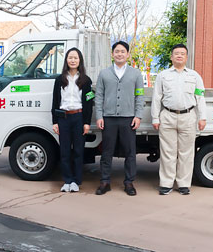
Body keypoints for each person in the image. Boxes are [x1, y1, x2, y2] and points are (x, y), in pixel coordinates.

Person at [151, 44, 207, 195]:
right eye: (176, 53)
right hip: (167, 116)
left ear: (187, 57)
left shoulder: (194, 76)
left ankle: (183, 184)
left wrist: (203, 117)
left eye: (182, 54)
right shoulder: (163, 75)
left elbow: (200, 97)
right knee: (168, 152)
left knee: (186, 153)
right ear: (171, 57)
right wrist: (155, 117)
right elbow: (157, 97)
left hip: (188, 117)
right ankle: (166, 183)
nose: (179, 56)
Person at [94, 41, 144, 196]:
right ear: (112, 54)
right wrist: (99, 116)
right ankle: (105, 181)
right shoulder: (104, 73)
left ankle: (129, 182)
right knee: (107, 151)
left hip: (128, 118)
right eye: (117, 51)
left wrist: (138, 115)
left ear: (128, 54)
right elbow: (99, 96)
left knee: (130, 152)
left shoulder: (136, 74)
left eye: (123, 51)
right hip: (108, 118)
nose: (120, 54)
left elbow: (139, 96)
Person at [51, 48, 94, 192]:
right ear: (66, 60)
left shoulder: (86, 80)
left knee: (78, 151)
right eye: (70, 57)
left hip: (79, 117)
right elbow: (55, 101)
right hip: (63, 118)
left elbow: (89, 103)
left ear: (80, 60)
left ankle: (76, 181)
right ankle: (67, 180)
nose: (73, 60)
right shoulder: (60, 79)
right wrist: (55, 121)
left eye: (75, 58)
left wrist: (86, 122)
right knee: (64, 151)